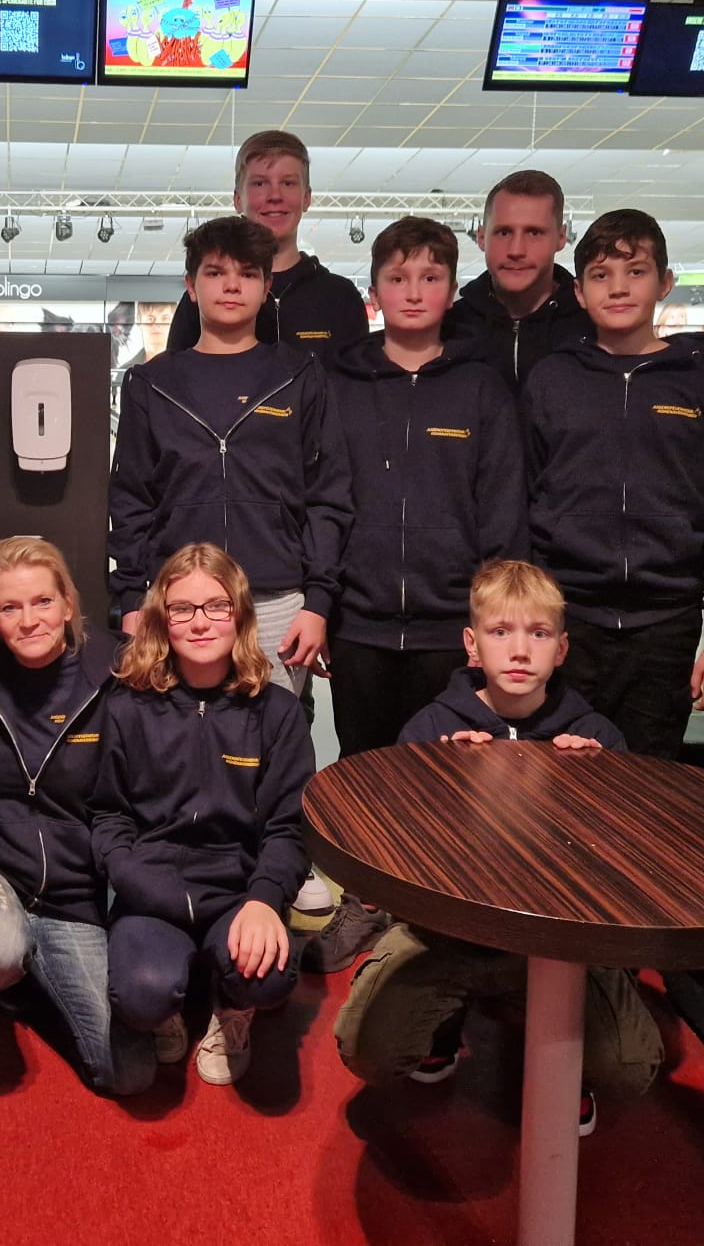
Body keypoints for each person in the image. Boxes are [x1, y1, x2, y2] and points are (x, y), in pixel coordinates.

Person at [333, 559, 661, 1136]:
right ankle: (442, 1028)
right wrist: (441, 777)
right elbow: (396, 838)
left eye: (537, 634)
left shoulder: (595, 737)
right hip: (450, 934)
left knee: (629, 1067)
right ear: (471, 643)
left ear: (560, 649)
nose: (518, 651)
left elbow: (622, 856)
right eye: (500, 632)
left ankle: (565, 1059)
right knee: (369, 1050)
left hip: (561, 945)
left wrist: (596, 784)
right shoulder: (433, 727)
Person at [306, 219, 526, 974]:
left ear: (449, 290)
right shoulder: (338, 383)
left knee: (449, 784)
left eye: (430, 278)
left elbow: (503, 512)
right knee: (367, 777)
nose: (413, 292)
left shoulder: (480, 385)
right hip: (362, 621)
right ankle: (366, 904)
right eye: (398, 279)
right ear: (375, 293)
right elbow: (324, 498)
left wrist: (489, 624)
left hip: (448, 628)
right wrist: (325, 603)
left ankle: (434, 919)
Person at [520, 208, 704, 760]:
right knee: (557, 779)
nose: (619, 288)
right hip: (566, 621)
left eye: (636, 271)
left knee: (647, 787)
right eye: (601, 276)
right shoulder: (553, 379)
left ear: (665, 282)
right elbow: (524, 501)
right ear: (579, 292)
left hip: (666, 626)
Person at [0, 537, 155, 1096]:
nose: (29, 621)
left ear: (68, 604)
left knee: (129, 1076)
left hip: (72, 895)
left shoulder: (118, 670)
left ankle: (21, 983)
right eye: (10, 607)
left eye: (42, 603)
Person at [91, 543, 313, 1087]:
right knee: (140, 994)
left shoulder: (277, 711)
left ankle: (232, 1008)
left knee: (270, 978)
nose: (200, 622)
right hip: (152, 888)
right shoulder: (126, 705)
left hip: (236, 890)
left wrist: (265, 898)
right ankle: (168, 1001)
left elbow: (290, 825)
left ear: (238, 613)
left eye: (216, 606)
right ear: (161, 620)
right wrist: (136, 881)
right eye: (182, 608)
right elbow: (108, 816)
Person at [110, 215, 351, 695]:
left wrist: (318, 603)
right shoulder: (153, 384)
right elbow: (131, 501)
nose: (232, 286)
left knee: (276, 749)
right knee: (175, 742)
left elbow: (328, 496)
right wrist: (133, 601)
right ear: (191, 287)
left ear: (265, 287)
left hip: (278, 600)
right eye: (216, 273)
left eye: (247, 274)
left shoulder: (300, 376)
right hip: (177, 601)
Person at [164, 131, 368, 361]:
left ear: (307, 198)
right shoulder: (205, 299)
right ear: (238, 199)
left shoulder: (340, 297)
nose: (275, 196)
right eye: (260, 183)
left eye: (288, 183)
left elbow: (356, 390)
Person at [445, 169, 593, 390]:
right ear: (481, 237)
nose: (516, 250)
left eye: (534, 233)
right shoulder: (448, 328)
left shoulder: (593, 328)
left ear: (561, 238)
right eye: (504, 232)